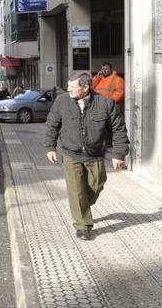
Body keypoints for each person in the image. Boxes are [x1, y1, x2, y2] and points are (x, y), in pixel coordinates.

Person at [44, 71, 129, 241]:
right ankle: (83, 226)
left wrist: (118, 154)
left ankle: (81, 205)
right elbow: (52, 124)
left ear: (85, 87)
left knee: (97, 183)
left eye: (72, 87)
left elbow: (118, 129)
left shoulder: (106, 103)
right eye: (68, 86)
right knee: (76, 190)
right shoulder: (62, 101)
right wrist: (50, 147)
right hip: (71, 153)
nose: (68, 89)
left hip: (95, 154)